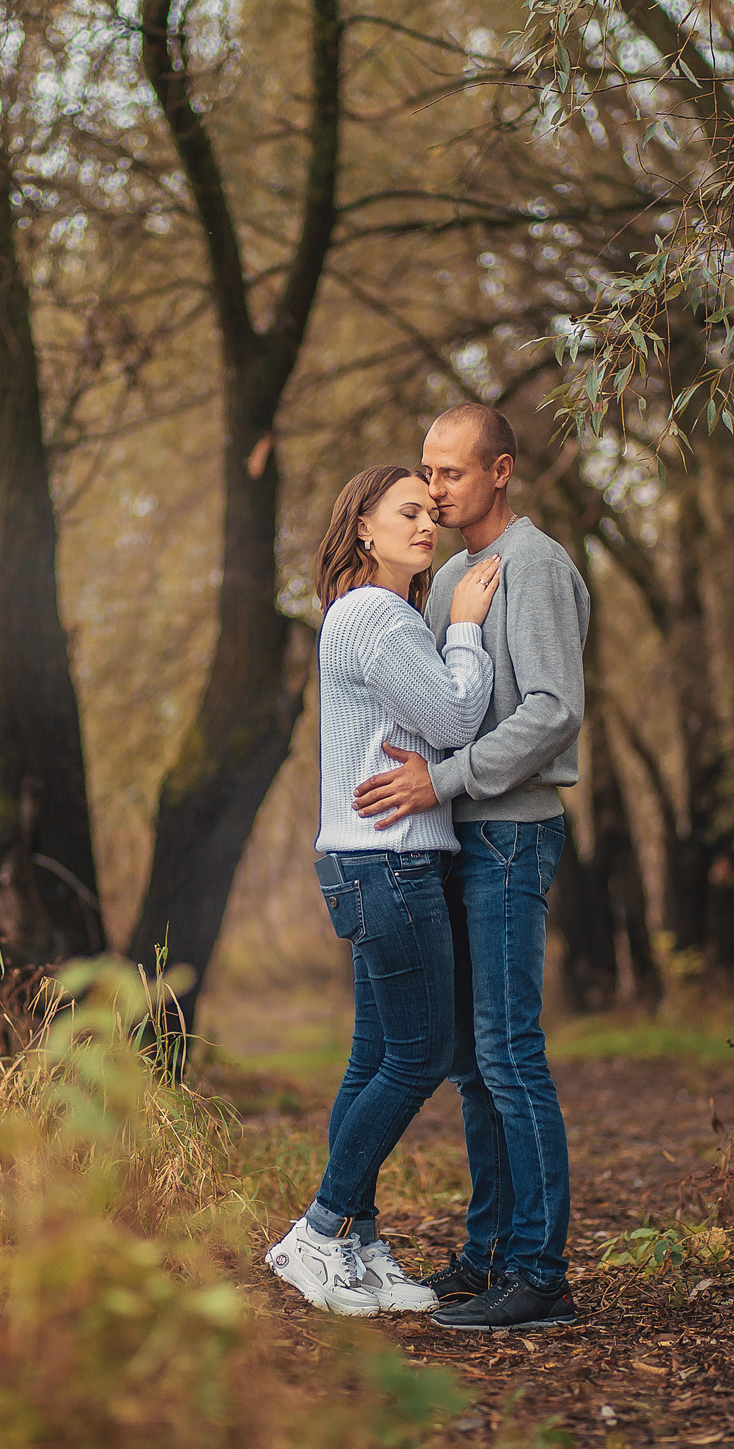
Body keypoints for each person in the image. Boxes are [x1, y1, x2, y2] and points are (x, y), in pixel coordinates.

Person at [353, 404, 588, 1331]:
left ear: (500, 470)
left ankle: (541, 1271)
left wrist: (440, 780)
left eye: (451, 473)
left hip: (512, 834)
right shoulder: (448, 574)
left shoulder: (537, 565)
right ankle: (490, 1253)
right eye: (426, 472)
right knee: (469, 1065)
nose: (434, 489)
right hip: (457, 839)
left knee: (509, 1052)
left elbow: (553, 709)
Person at [266, 463, 503, 1316]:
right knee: (419, 1056)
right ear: (361, 527)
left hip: (372, 862)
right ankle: (320, 1233)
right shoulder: (376, 614)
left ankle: (358, 1246)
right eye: (406, 511)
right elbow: (453, 720)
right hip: (393, 862)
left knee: (374, 1057)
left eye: (429, 512)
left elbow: (425, 735)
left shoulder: (363, 615)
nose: (425, 524)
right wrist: (468, 628)